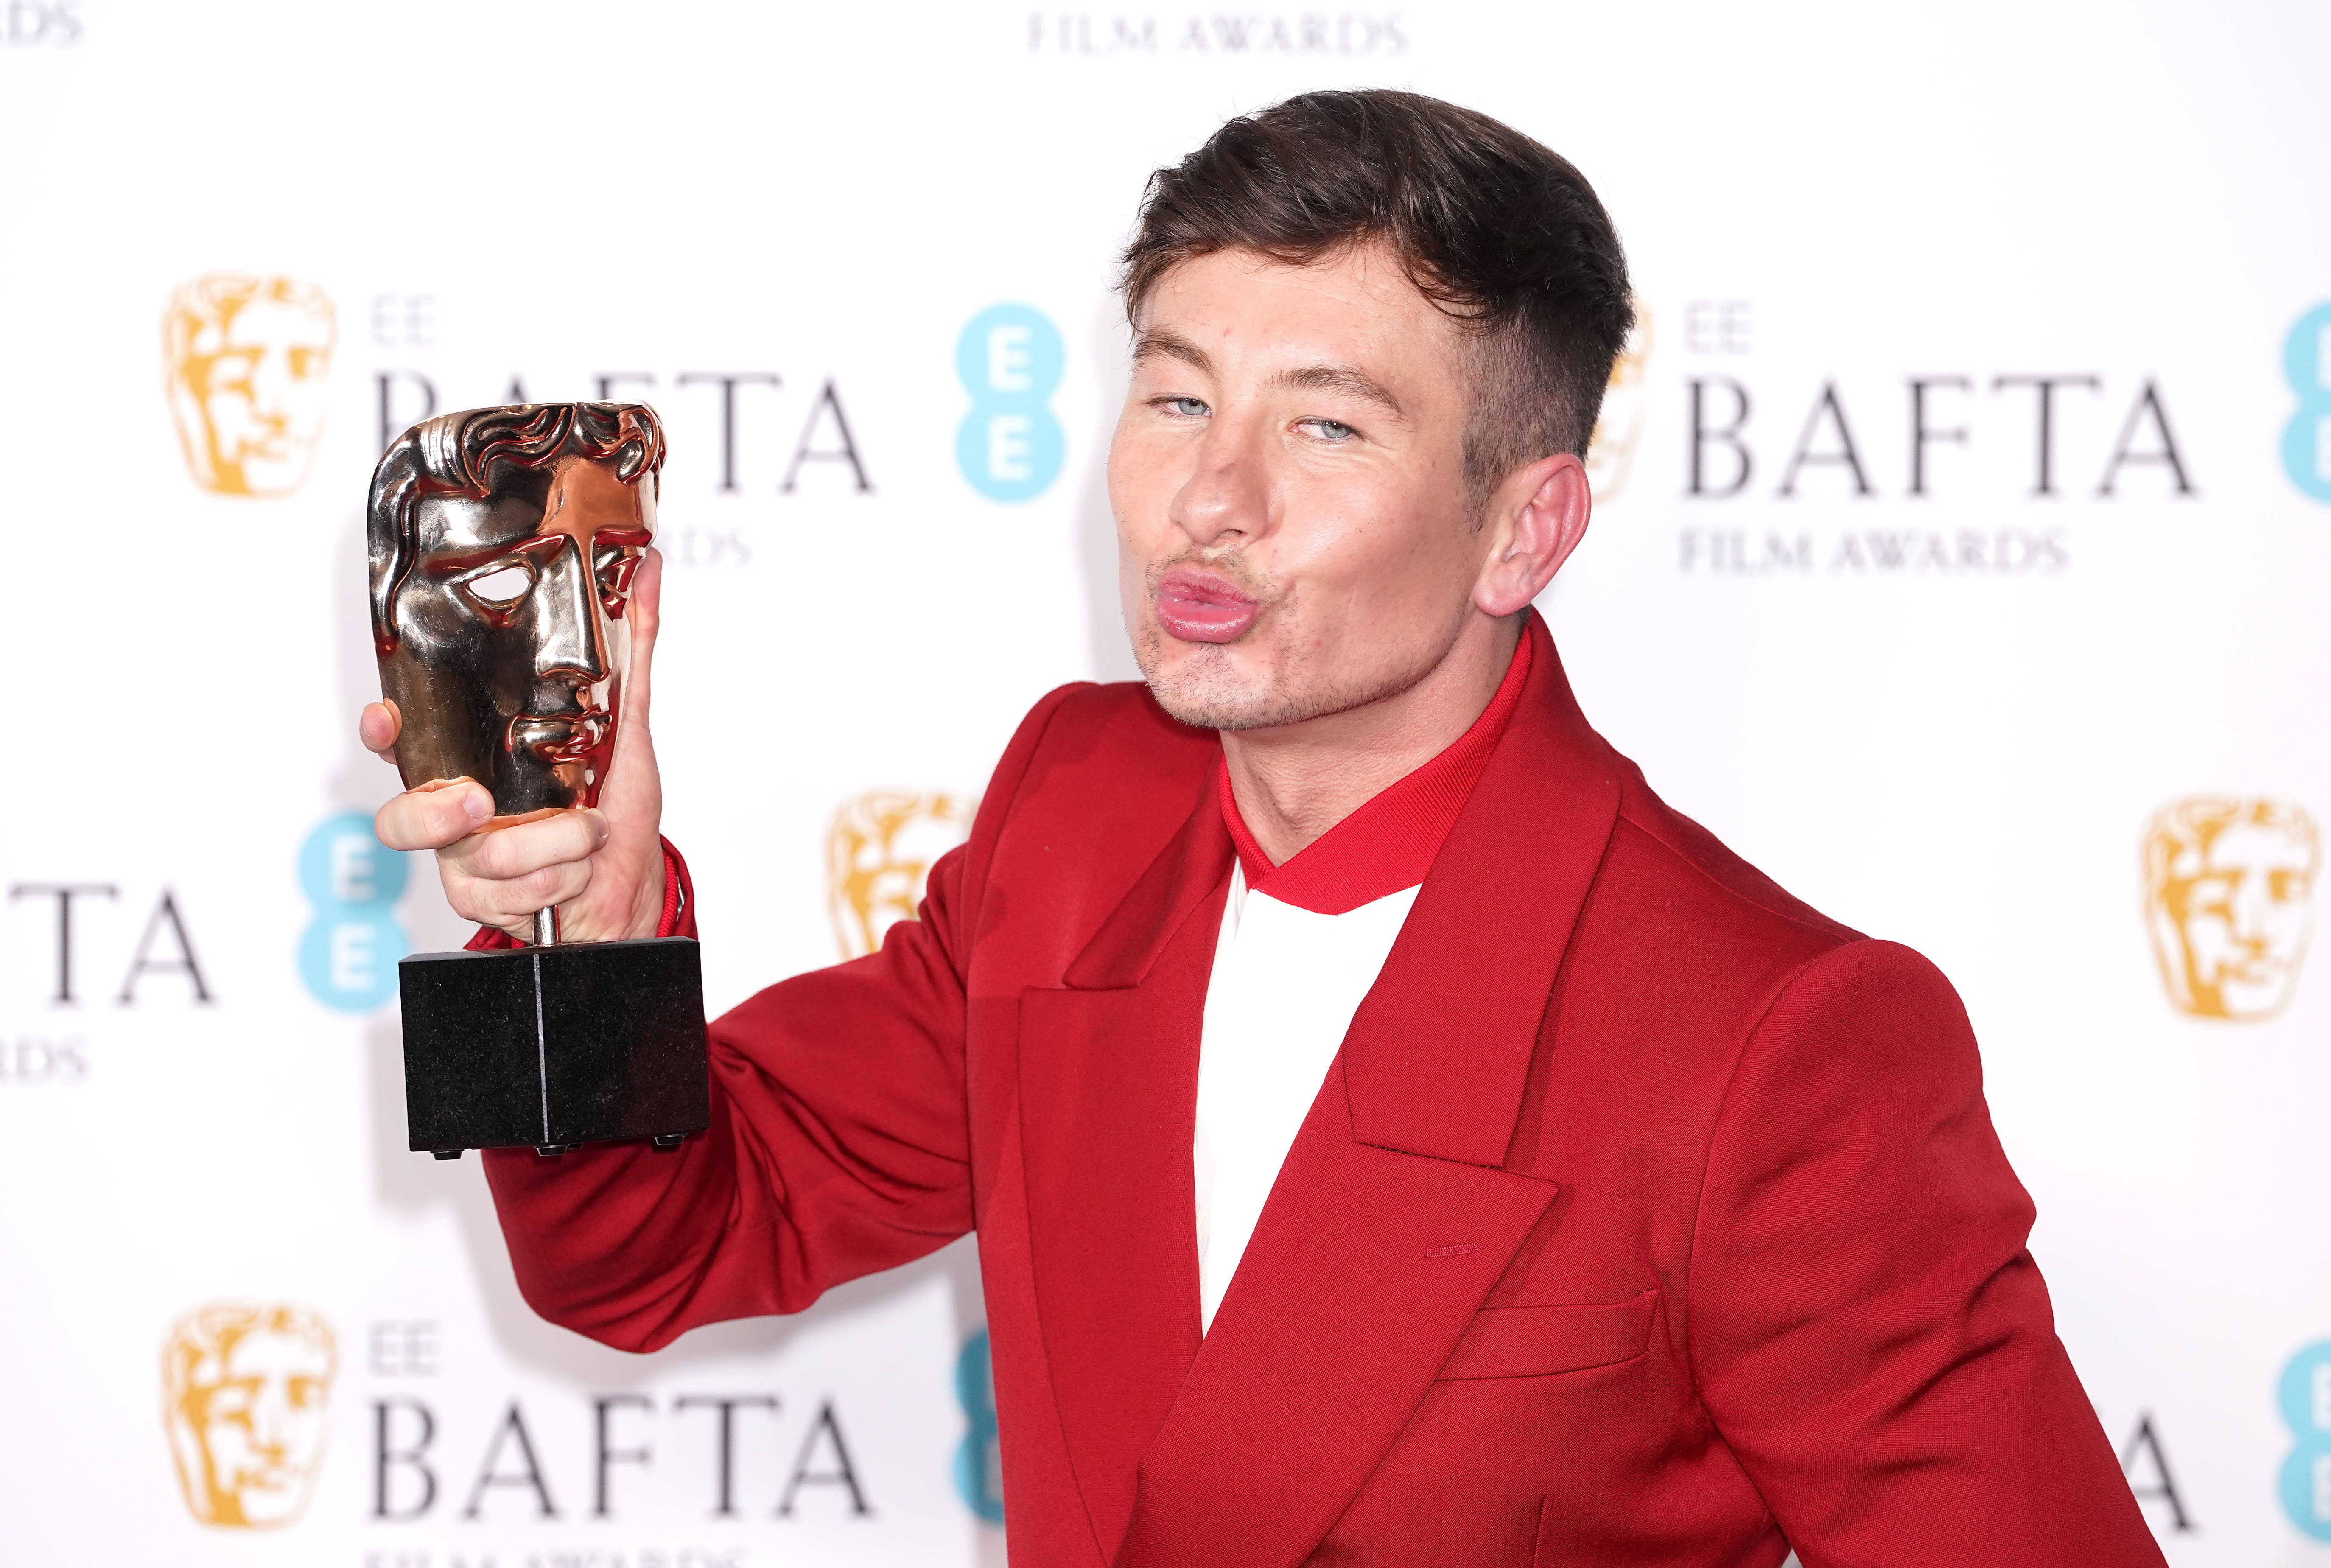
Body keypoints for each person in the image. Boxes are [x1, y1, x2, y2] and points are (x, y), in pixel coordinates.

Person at [366, 90, 2163, 1567]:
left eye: (1325, 423)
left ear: (1526, 534)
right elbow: (660, 1253)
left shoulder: (1784, 1042)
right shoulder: (1077, 811)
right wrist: (582, 938)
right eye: (1176, 399)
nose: (1208, 504)